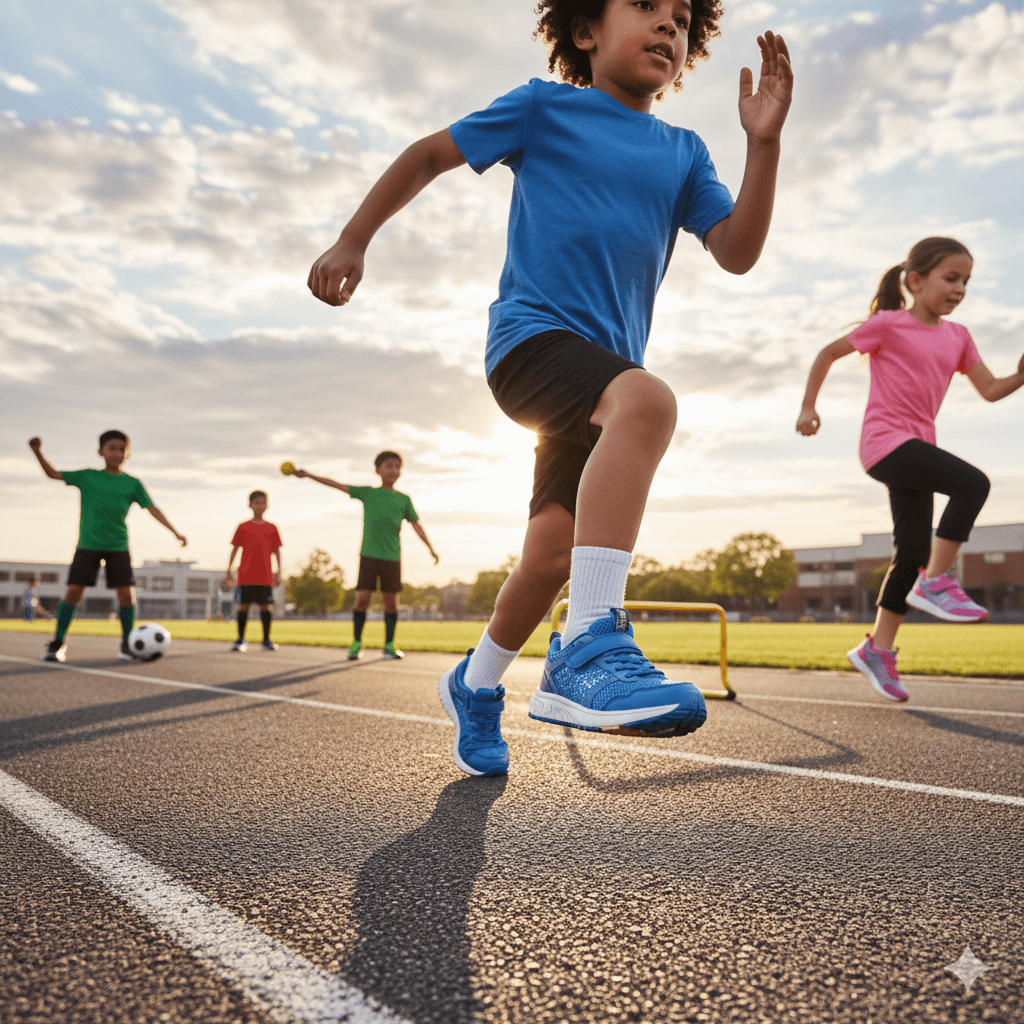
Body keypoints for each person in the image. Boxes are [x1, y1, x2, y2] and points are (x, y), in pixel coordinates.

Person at [307, 0, 793, 776]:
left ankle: (475, 683)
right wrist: (354, 237)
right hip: (531, 345)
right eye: (646, 8)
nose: (668, 26)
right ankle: (588, 644)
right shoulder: (543, 107)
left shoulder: (683, 151)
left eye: (681, 19)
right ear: (584, 30)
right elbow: (429, 155)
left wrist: (761, 146)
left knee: (546, 555)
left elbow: (736, 252)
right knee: (649, 401)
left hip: (598, 387)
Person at [797, 237, 1024, 702]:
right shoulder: (888, 325)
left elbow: (990, 389)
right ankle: (938, 582)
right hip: (885, 444)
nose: (959, 288)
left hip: (916, 448)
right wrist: (808, 407)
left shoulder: (958, 336)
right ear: (916, 281)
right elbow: (827, 354)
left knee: (911, 554)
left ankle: (878, 649)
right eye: (950, 278)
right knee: (972, 483)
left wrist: (1020, 375)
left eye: (966, 281)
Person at [29, 432, 187, 663]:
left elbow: (152, 508)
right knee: (74, 591)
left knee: (126, 595)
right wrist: (37, 452)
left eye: (122, 449)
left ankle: (127, 645)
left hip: (118, 546)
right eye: (112, 448)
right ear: (100, 452)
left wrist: (175, 532)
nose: (117, 453)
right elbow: (53, 474)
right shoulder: (87, 476)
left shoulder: (132, 483)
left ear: (127, 454)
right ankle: (57, 643)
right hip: (88, 545)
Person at [290, 452, 438, 660]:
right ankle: (357, 643)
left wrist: (430, 548)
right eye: (389, 466)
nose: (394, 470)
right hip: (369, 555)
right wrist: (308, 475)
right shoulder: (368, 493)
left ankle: (389, 645)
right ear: (378, 469)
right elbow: (337, 485)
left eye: (397, 466)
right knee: (362, 599)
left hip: (392, 558)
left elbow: (416, 525)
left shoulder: (403, 499)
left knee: (391, 603)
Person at [224, 490, 283, 652]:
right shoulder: (243, 527)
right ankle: (240, 640)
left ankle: (266, 640)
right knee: (243, 607)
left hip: (265, 576)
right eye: (256, 502)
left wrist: (278, 572)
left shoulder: (272, 528)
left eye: (263, 502)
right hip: (245, 575)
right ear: (250, 505)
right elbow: (235, 549)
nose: (260, 506)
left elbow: (277, 551)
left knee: (266, 608)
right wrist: (228, 570)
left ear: (267, 505)